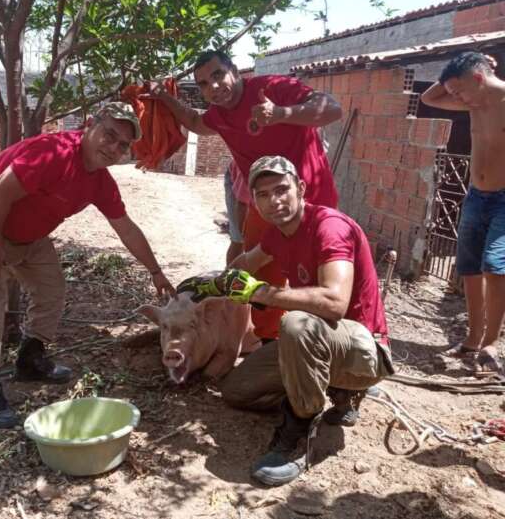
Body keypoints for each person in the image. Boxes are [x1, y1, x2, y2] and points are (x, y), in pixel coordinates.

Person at [176, 156, 393, 486]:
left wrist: (261, 293)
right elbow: (245, 264)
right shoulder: (279, 233)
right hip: (319, 344)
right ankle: (332, 392)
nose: (274, 201)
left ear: (301, 188)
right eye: (262, 194)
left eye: (281, 190)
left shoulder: (328, 227)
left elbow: (334, 303)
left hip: (363, 351)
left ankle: (299, 432)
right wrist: (209, 285)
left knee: (294, 324)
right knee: (235, 391)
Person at [0, 103, 175, 427]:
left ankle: (31, 359)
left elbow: (126, 228)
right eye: (109, 135)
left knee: (52, 290)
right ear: (90, 124)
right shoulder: (54, 153)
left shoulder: (100, 181)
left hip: (30, 237)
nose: (114, 147)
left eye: (122, 145)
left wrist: (156, 272)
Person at [147, 50, 342, 342]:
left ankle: (326, 344)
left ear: (234, 71)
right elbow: (195, 122)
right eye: (202, 83)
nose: (212, 87)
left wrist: (281, 114)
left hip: (313, 203)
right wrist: (164, 96)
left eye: (217, 75)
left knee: (316, 279)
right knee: (262, 274)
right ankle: (267, 339)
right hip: (265, 209)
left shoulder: (273, 88)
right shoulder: (218, 115)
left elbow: (332, 109)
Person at [421, 52, 505, 374]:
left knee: (496, 266)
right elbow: (431, 98)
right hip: (475, 196)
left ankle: (491, 343)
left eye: (459, 91)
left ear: (480, 79)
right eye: (453, 93)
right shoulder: (473, 103)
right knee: (468, 266)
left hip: (503, 200)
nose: (454, 98)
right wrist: (454, 82)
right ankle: (472, 339)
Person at [224, 160, 251, 265]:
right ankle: (229, 278)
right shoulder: (247, 168)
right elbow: (241, 204)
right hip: (237, 174)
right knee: (238, 240)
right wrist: (242, 234)